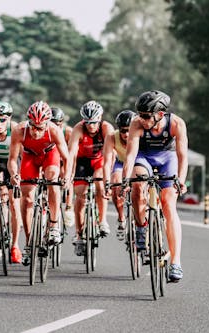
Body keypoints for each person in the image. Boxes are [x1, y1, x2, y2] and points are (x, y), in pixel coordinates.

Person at [121, 90, 188, 282]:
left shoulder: (176, 123)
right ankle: (141, 226)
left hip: (168, 157)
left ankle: (175, 262)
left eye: (145, 116)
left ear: (159, 114)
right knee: (137, 182)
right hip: (144, 156)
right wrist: (126, 180)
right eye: (139, 114)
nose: (140, 119)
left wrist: (181, 180)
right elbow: (131, 155)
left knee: (168, 203)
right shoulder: (136, 123)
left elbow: (182, 156)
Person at [8, 101, 70, 265]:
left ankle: (54, 225)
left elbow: (66, 158)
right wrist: (14, 174)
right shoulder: (19, 131)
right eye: (33, 126)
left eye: (40, 127)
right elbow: (13, 159)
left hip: (50, 154)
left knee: (52, 178)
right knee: (27, 195)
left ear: (47, 124)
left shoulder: (54, 131)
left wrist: (67, 177)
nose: (36, 131)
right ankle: (29, 242)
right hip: (29, 156)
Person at [67, 101, 114, 256]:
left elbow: (110, 155)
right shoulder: (78, 129)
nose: (91, 126)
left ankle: (102, 220)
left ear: (99, 119)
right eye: (87, 122)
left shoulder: (107, 128)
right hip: (82, 161)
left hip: (99, 160)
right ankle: (79, 234)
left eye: (94, 122)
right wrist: (68, 175)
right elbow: (71, 154)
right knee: (80, 195)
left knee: (100, 184)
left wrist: (109, 179)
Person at [0, 101, 23, 263]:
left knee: (14, 202)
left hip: (11, 161)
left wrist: (16, 175)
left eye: (2, 120)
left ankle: (15, 246)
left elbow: (21, 155)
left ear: (9, 119)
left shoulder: (14, 129)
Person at [102, 110, 135, 240]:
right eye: (123, 131)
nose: (126, 134)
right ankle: (121, 218)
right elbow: (106, 163)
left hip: (137, 163)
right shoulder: (112, 137)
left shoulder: (140, 135)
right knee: (115, 183)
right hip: (121, 163)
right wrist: (106, 184)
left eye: (129, 130)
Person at [50, 107, 75, 230]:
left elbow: (72, 157)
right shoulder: (45, 131)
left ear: (62, 123)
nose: (55, 127)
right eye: (51, 124)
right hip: (50, 159)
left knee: (66, 173)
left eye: (57, 124)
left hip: (64, 158)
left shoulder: (68, 132)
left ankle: (69, 207)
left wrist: (70, 176)